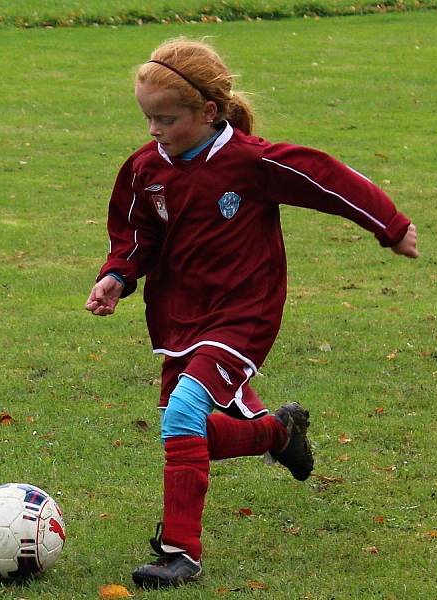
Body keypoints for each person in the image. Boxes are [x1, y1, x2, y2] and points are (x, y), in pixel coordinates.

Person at [85, 37, 418, 588]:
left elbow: (327, 178)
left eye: (165, 119)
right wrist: (117, 275)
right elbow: (136, 234)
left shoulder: (250, 162)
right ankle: (276, 433)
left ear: (208, 112)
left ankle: (180, 553)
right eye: (147, 119)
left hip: (244, 316)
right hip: (176, 320)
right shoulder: (147, 169)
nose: (153, 131)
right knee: (186, 432)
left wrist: (391, 225)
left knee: (182, 417)